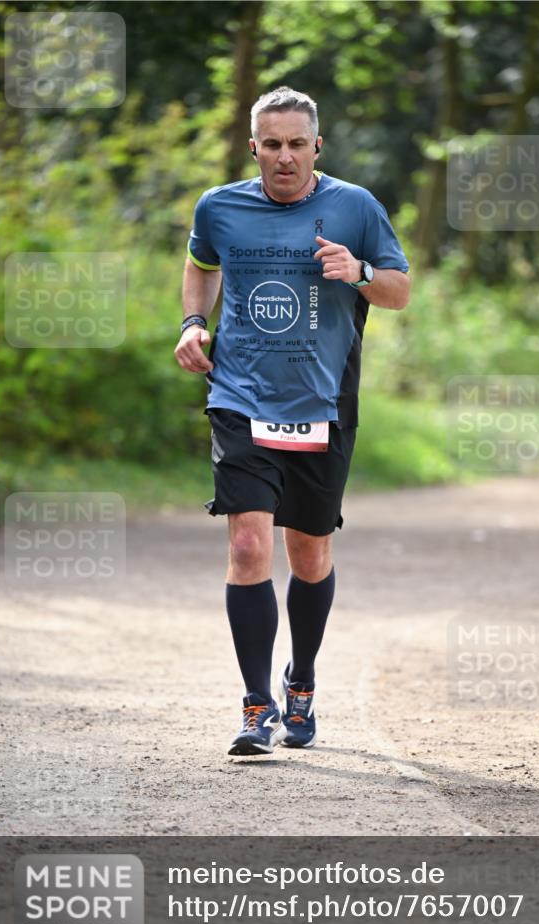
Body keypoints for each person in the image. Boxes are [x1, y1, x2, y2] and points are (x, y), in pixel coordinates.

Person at [175, 86, 410, 756]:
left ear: (316, 147)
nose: (284, 157)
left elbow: (398, 291)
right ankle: (255, 707)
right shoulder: (219, 207)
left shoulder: (355, 207)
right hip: (240, 396)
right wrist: (193, 323)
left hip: (322, 404)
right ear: (254, 147)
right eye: (271, 144)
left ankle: (300, 681)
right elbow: (199, 268)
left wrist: (358, 270)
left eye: (296, 144)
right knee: (248, 546)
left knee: (308, 553)